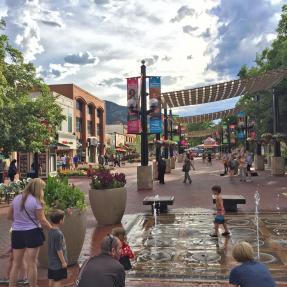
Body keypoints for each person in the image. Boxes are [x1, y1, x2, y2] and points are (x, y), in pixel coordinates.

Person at [7, 178, 52, 287]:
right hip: (32, 233)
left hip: (17, 233)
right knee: (32, 263)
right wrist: (52, 229)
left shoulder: (16, 198)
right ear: (38, 189)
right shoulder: (37, 201)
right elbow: (42, 220)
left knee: (16, 264)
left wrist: (19, 221)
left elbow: (9, 216)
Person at [48, 210, 68, 287]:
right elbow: (59, 250)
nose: (64, 221)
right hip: (58, 263)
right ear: (60, 221)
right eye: (63, 219)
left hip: (51, 262)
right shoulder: (58, 234)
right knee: (57, 281)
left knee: (51, 278)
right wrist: (63, 262)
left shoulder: (50, 231)